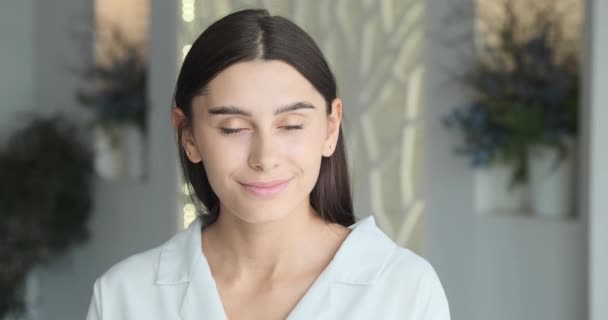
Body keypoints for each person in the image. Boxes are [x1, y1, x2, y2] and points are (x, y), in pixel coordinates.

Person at [86, 8, 450, 320]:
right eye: (233, 129)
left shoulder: (403, 290)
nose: (265, 158)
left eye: (291, 125)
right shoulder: (126, 296)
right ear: (189, 137)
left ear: (331, 127)